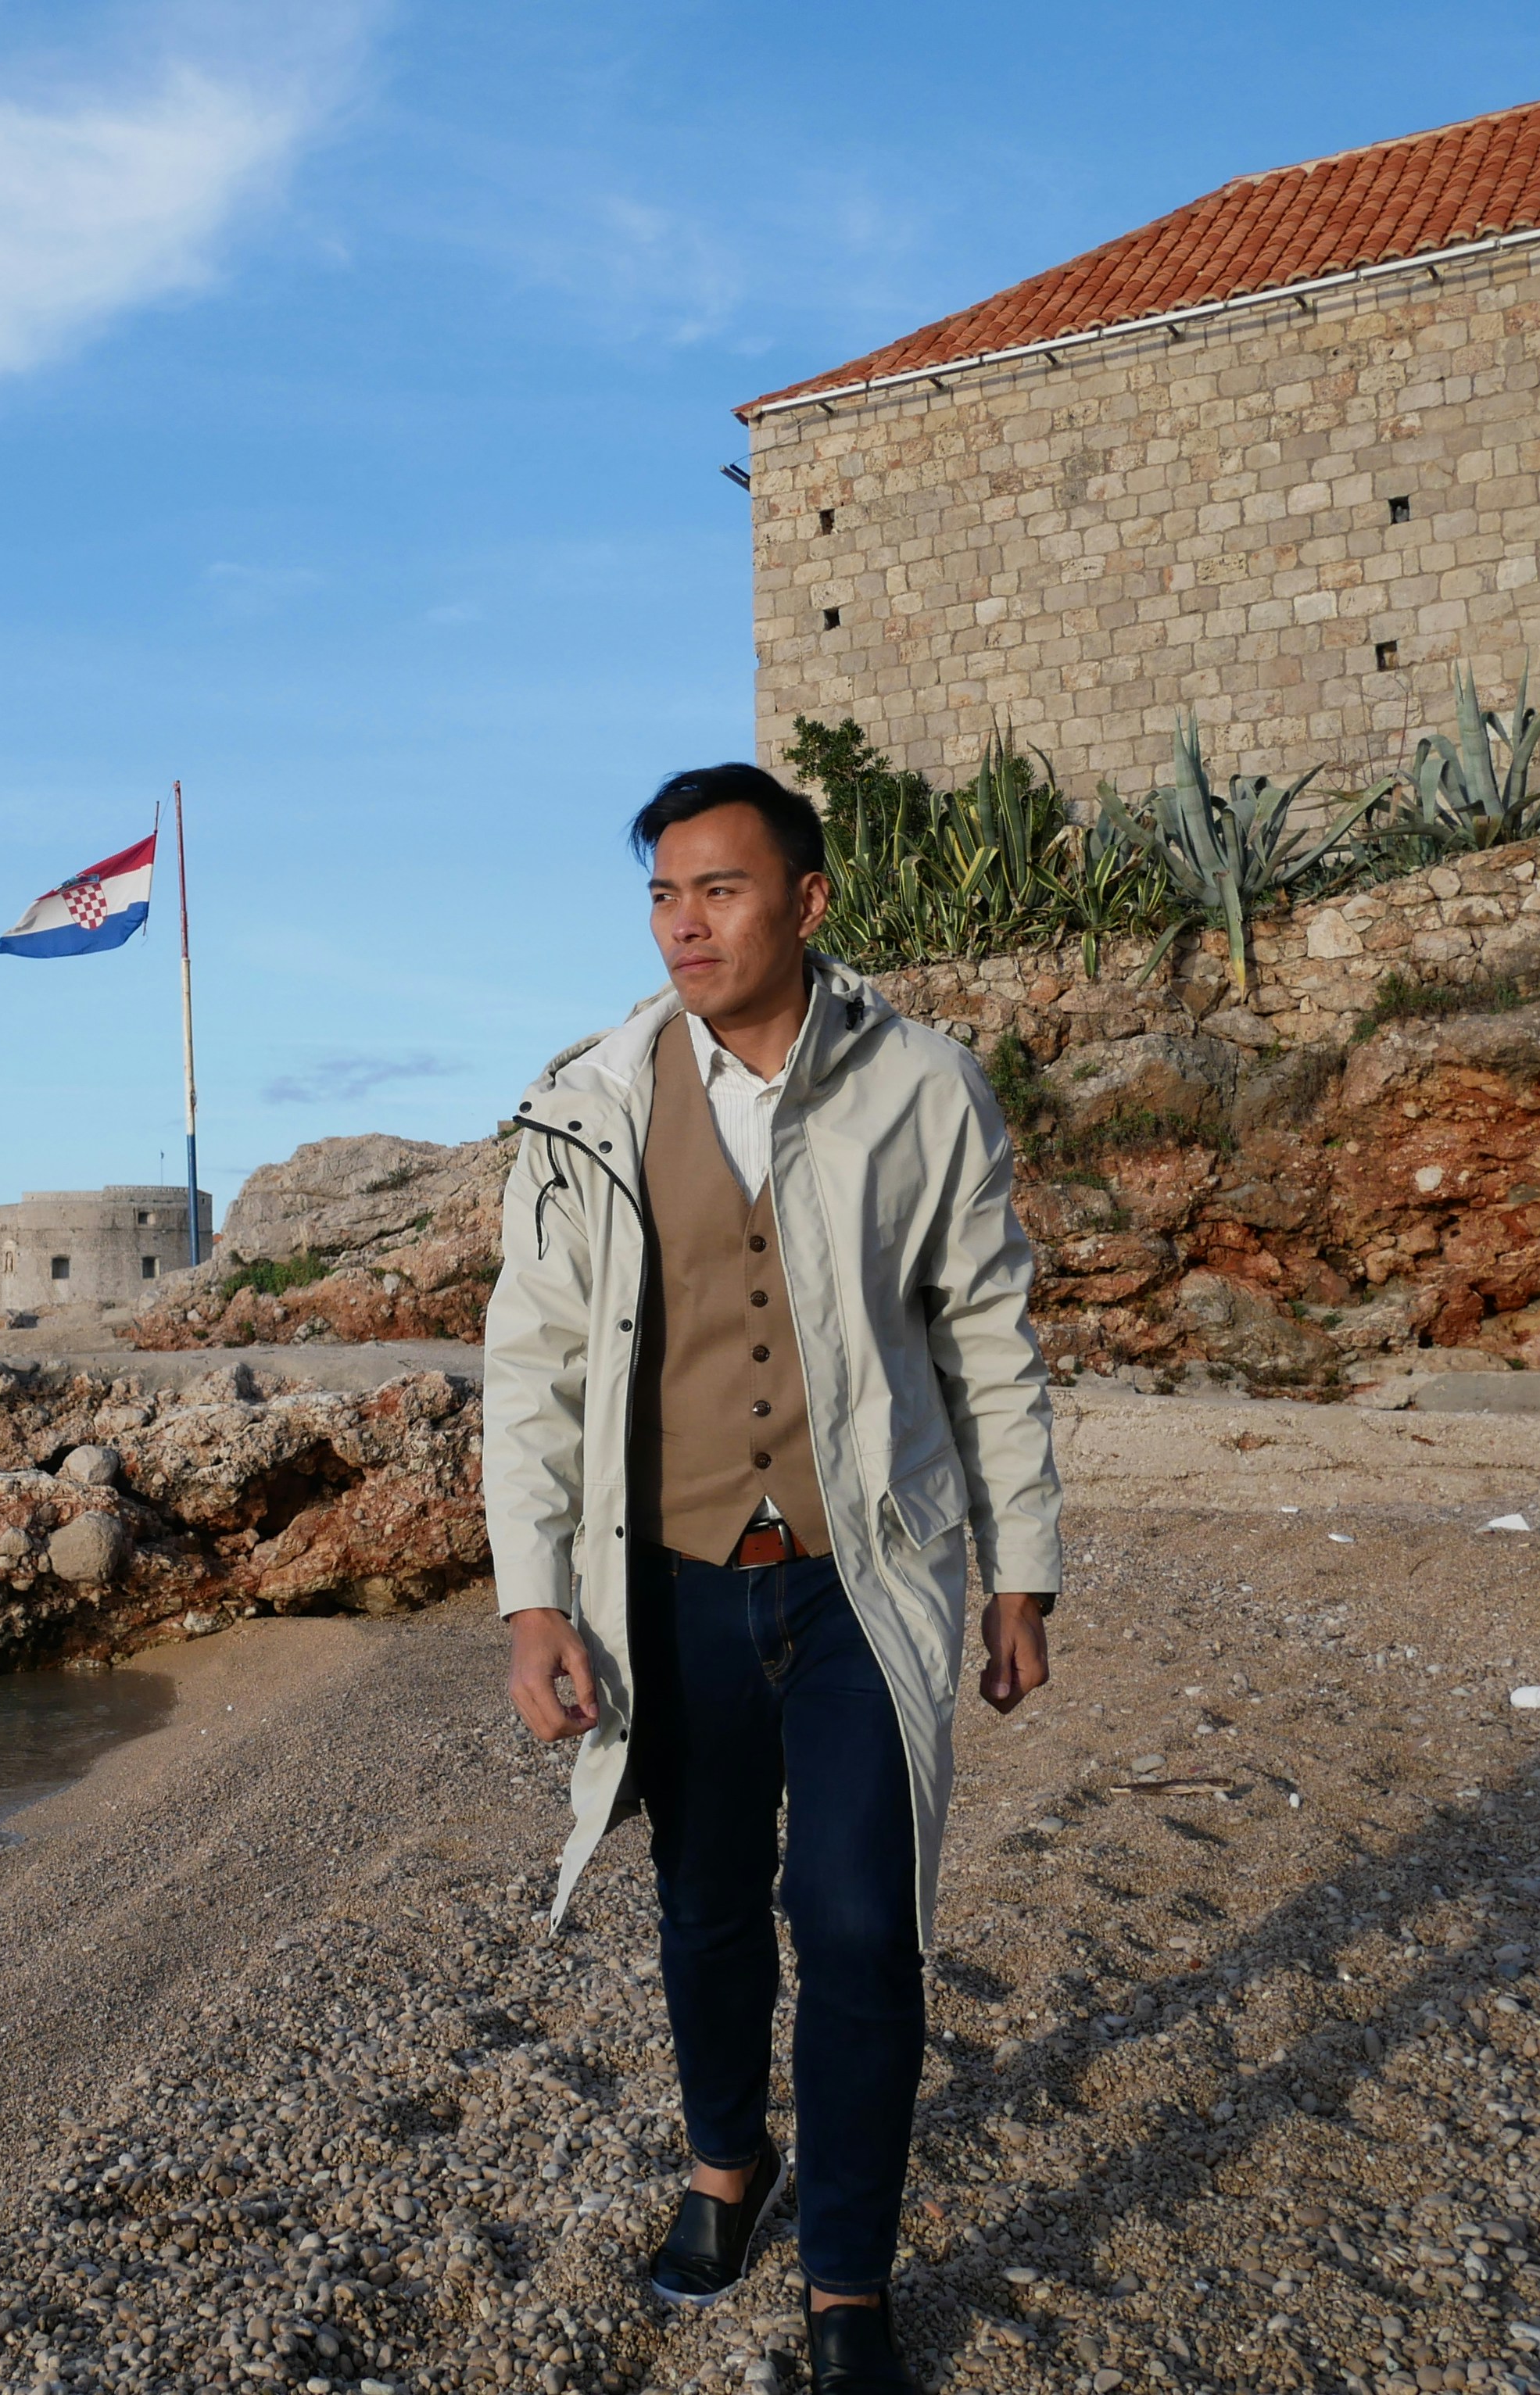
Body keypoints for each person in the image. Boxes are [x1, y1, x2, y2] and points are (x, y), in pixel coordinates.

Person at [482, 762, 1061, 2394]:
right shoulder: (586, 1102)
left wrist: (1023, 1566)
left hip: (858, 1571)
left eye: (719, 888)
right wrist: (534, 1600)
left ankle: (847, 2277)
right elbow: (529, 1367)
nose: (685, 922)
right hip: (664, 1581)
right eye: (664, 893)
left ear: (806, 901)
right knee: (707, 1903)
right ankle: (726, 2163)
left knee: (865, 1922)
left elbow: (989, 1338)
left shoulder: (923, 1084)